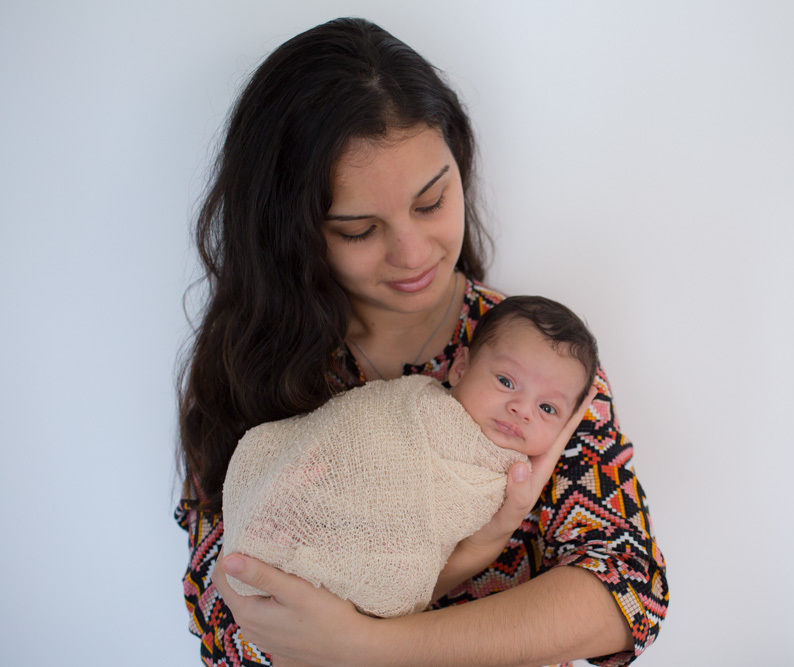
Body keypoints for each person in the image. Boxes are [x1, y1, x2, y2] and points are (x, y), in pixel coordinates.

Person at [176, 17, 667, 667]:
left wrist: (370, 645)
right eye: (359, 229)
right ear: (292, 231)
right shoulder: (248, 368)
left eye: (432, 201)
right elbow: (227, 621)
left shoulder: (535, 363)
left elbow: (628, 588)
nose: (413, 252)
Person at [222, 296, 599, 620]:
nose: (522, 409)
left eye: (548, 407)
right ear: (461, 367)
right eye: (506, 382)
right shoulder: (413, 401)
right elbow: (350, 429)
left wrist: (499, 526)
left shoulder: (510, 476)